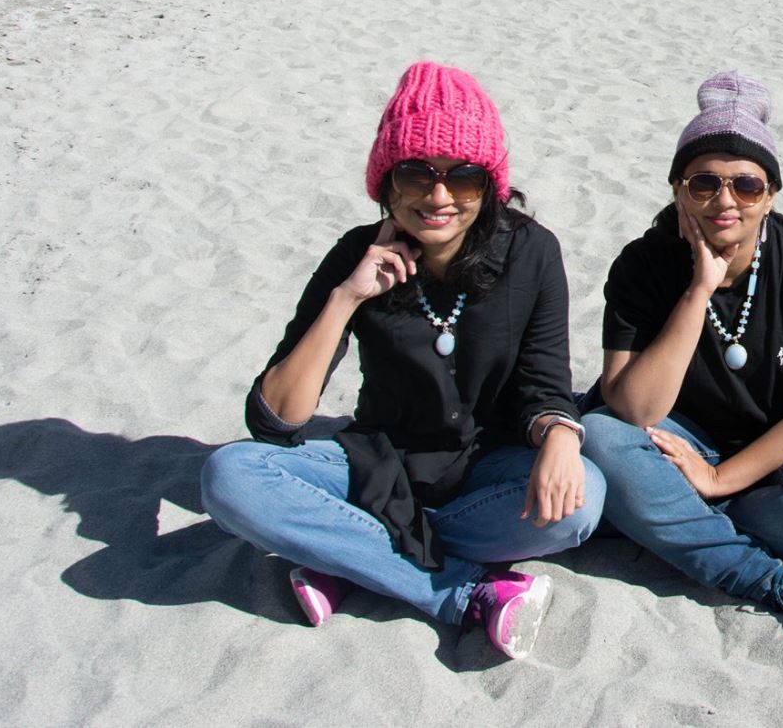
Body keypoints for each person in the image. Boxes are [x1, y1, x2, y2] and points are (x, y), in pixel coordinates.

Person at [200, 62, 602, 660]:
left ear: (488, 184)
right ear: (386, 184)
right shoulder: (355, 254)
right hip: (378, 463)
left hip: (487, 465)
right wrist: (347, 299)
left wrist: (562, 435)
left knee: (582, 502)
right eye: (416, 176)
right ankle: (463, 592)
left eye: (462, 177)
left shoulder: (530, 251)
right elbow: (277, 421)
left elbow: (545, 382)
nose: (439, 197)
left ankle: (348, 557)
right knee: (228, 478)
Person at [580, 72, 783, 633]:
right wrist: (697, 292)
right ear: (677, 188)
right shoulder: (644, 263)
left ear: (772, 195)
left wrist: (719, 480)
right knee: (599, 437)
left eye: (747, 186)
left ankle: (660, 513)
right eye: (704, 182)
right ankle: (751, 570)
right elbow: (634, 410)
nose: (725, 201)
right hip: (675, 434)